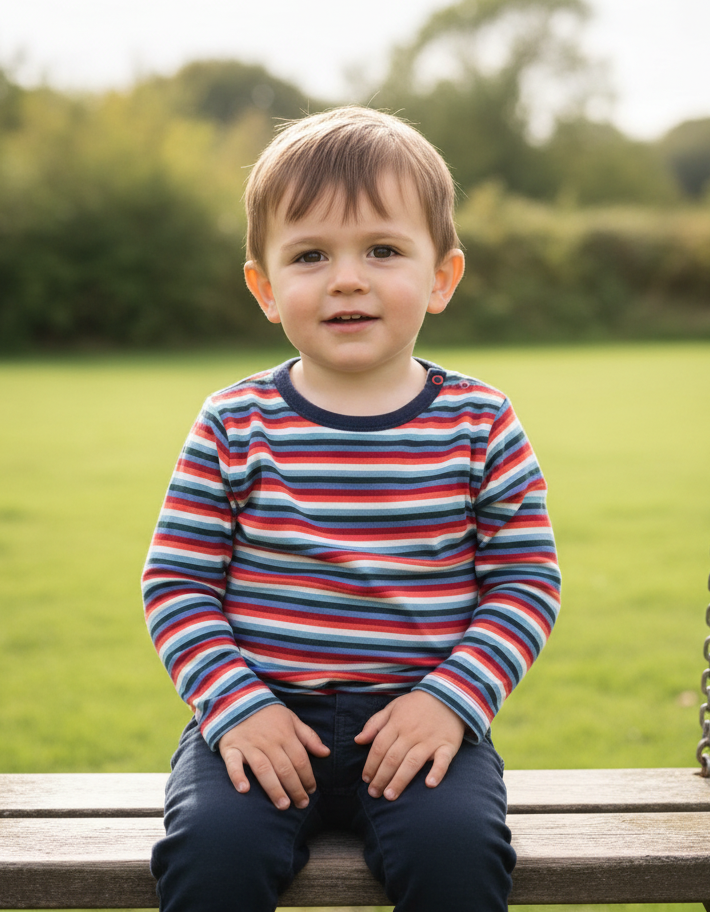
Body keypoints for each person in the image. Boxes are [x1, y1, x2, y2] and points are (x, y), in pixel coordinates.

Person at [142, 106, 561, 912]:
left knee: (457, 856)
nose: (346, 277)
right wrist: (236, 705)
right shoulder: (234, 422)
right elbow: (177, 584)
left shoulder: (481, 423)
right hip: (260, 717)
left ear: (441, 275)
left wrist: (452, 699)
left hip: (420, 721)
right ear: (265, 287)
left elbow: (525, 581)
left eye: (382, 249)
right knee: (210, 857)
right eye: (309, 255)